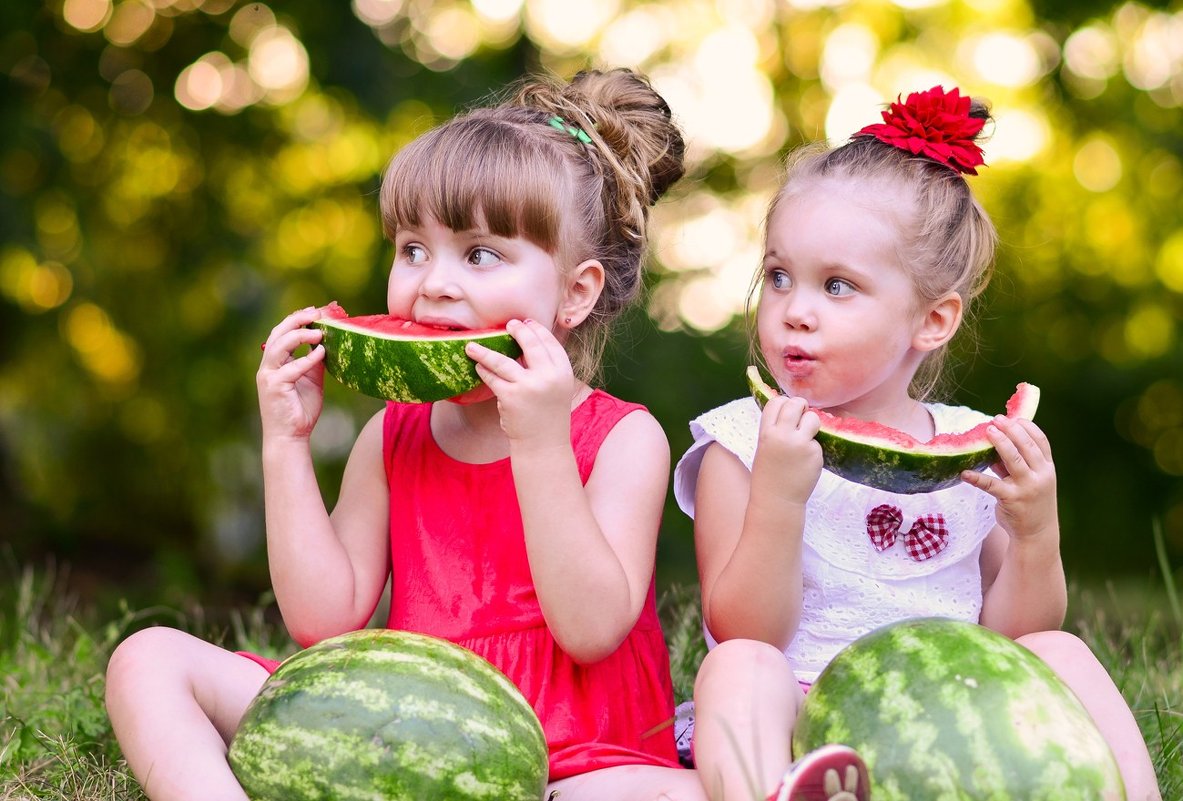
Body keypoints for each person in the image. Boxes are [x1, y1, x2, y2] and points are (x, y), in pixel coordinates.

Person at [105, 67, 710, 801]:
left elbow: (589, 629)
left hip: (578, 754)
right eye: (412, 248)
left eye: (479, 253)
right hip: (401, 731)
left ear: (575, 293)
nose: (433, 283)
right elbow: (322, 621)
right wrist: (285, 444)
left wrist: (541, 444)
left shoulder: (621, 438)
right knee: (147, 658)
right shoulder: (396, 434)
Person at [673, 87, 1161, 801]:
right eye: (778, 276)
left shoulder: (972, 448)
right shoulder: (741, 443)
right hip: (801, 723)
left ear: (931, 320)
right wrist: (779, 496)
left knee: (1059, 649)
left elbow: (1015, 635)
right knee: (738, 667)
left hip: (954, 721)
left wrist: (1032, 530)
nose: (794, 311)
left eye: (836, 286)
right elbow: (743, 627)